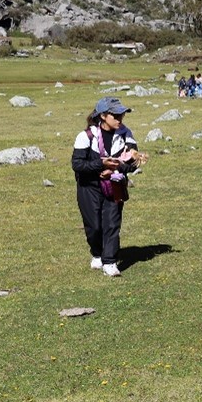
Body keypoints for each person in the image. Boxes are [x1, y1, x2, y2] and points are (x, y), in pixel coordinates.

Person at [71, 97, 145, 277]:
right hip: (89, 187)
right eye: (116, 115)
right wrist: (100, 165)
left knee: (112, 223)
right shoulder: (86, 136)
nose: (120, 119)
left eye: (122, 115)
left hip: (115, 184)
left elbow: (134, 163)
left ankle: (110, 262)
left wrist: (114, 169)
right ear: (103, 116)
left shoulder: (126, 135)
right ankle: (97, 253)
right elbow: (77, 164)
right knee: (94, 226)